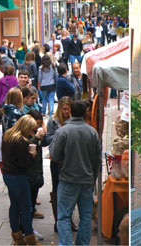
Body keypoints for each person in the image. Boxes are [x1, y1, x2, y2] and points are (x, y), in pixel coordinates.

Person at [51, 100, 101, 246]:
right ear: (85, 112)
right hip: (86, 180)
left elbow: (55, 155)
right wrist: (93, 177)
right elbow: (97, 159)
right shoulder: (92, 132)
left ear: (71, 112)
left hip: (68, 179)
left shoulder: (63, 131)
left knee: (64, 217)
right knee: (85, 217)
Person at [1, 115, 40, 245]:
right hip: (18, 176)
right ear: (26, 127)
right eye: (31, 129)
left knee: (14, 205)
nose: (31, 133)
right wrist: (31, 155)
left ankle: (17, 237)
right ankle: (30, 238)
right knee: (26, 207)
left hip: (7, 174)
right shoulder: (21, 141)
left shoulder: (8, 135)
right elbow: (23, 163)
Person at [46, 96, 76, 233]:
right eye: (64, 109)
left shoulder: (74, 121)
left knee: (69, 190)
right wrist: (62, 134)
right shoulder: (53, 121)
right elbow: (48, 139)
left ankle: (68, 219)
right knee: (57, 189)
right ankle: (58, 220)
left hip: (69, 160)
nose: (67, 112)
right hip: (56, 161)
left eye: (69, 109)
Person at [26, 110, 47, 223]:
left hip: (37, 166)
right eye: (36, 123)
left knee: (35, 189)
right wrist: (36, 138)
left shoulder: (36, 131)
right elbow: (27, 145)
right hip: (30, 169)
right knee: (30, 192)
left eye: (39, 123)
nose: (37, 126)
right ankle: (29, 212)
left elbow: (44, 143)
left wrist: (43, 134)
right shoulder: (25, 133)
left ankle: (32, 209)